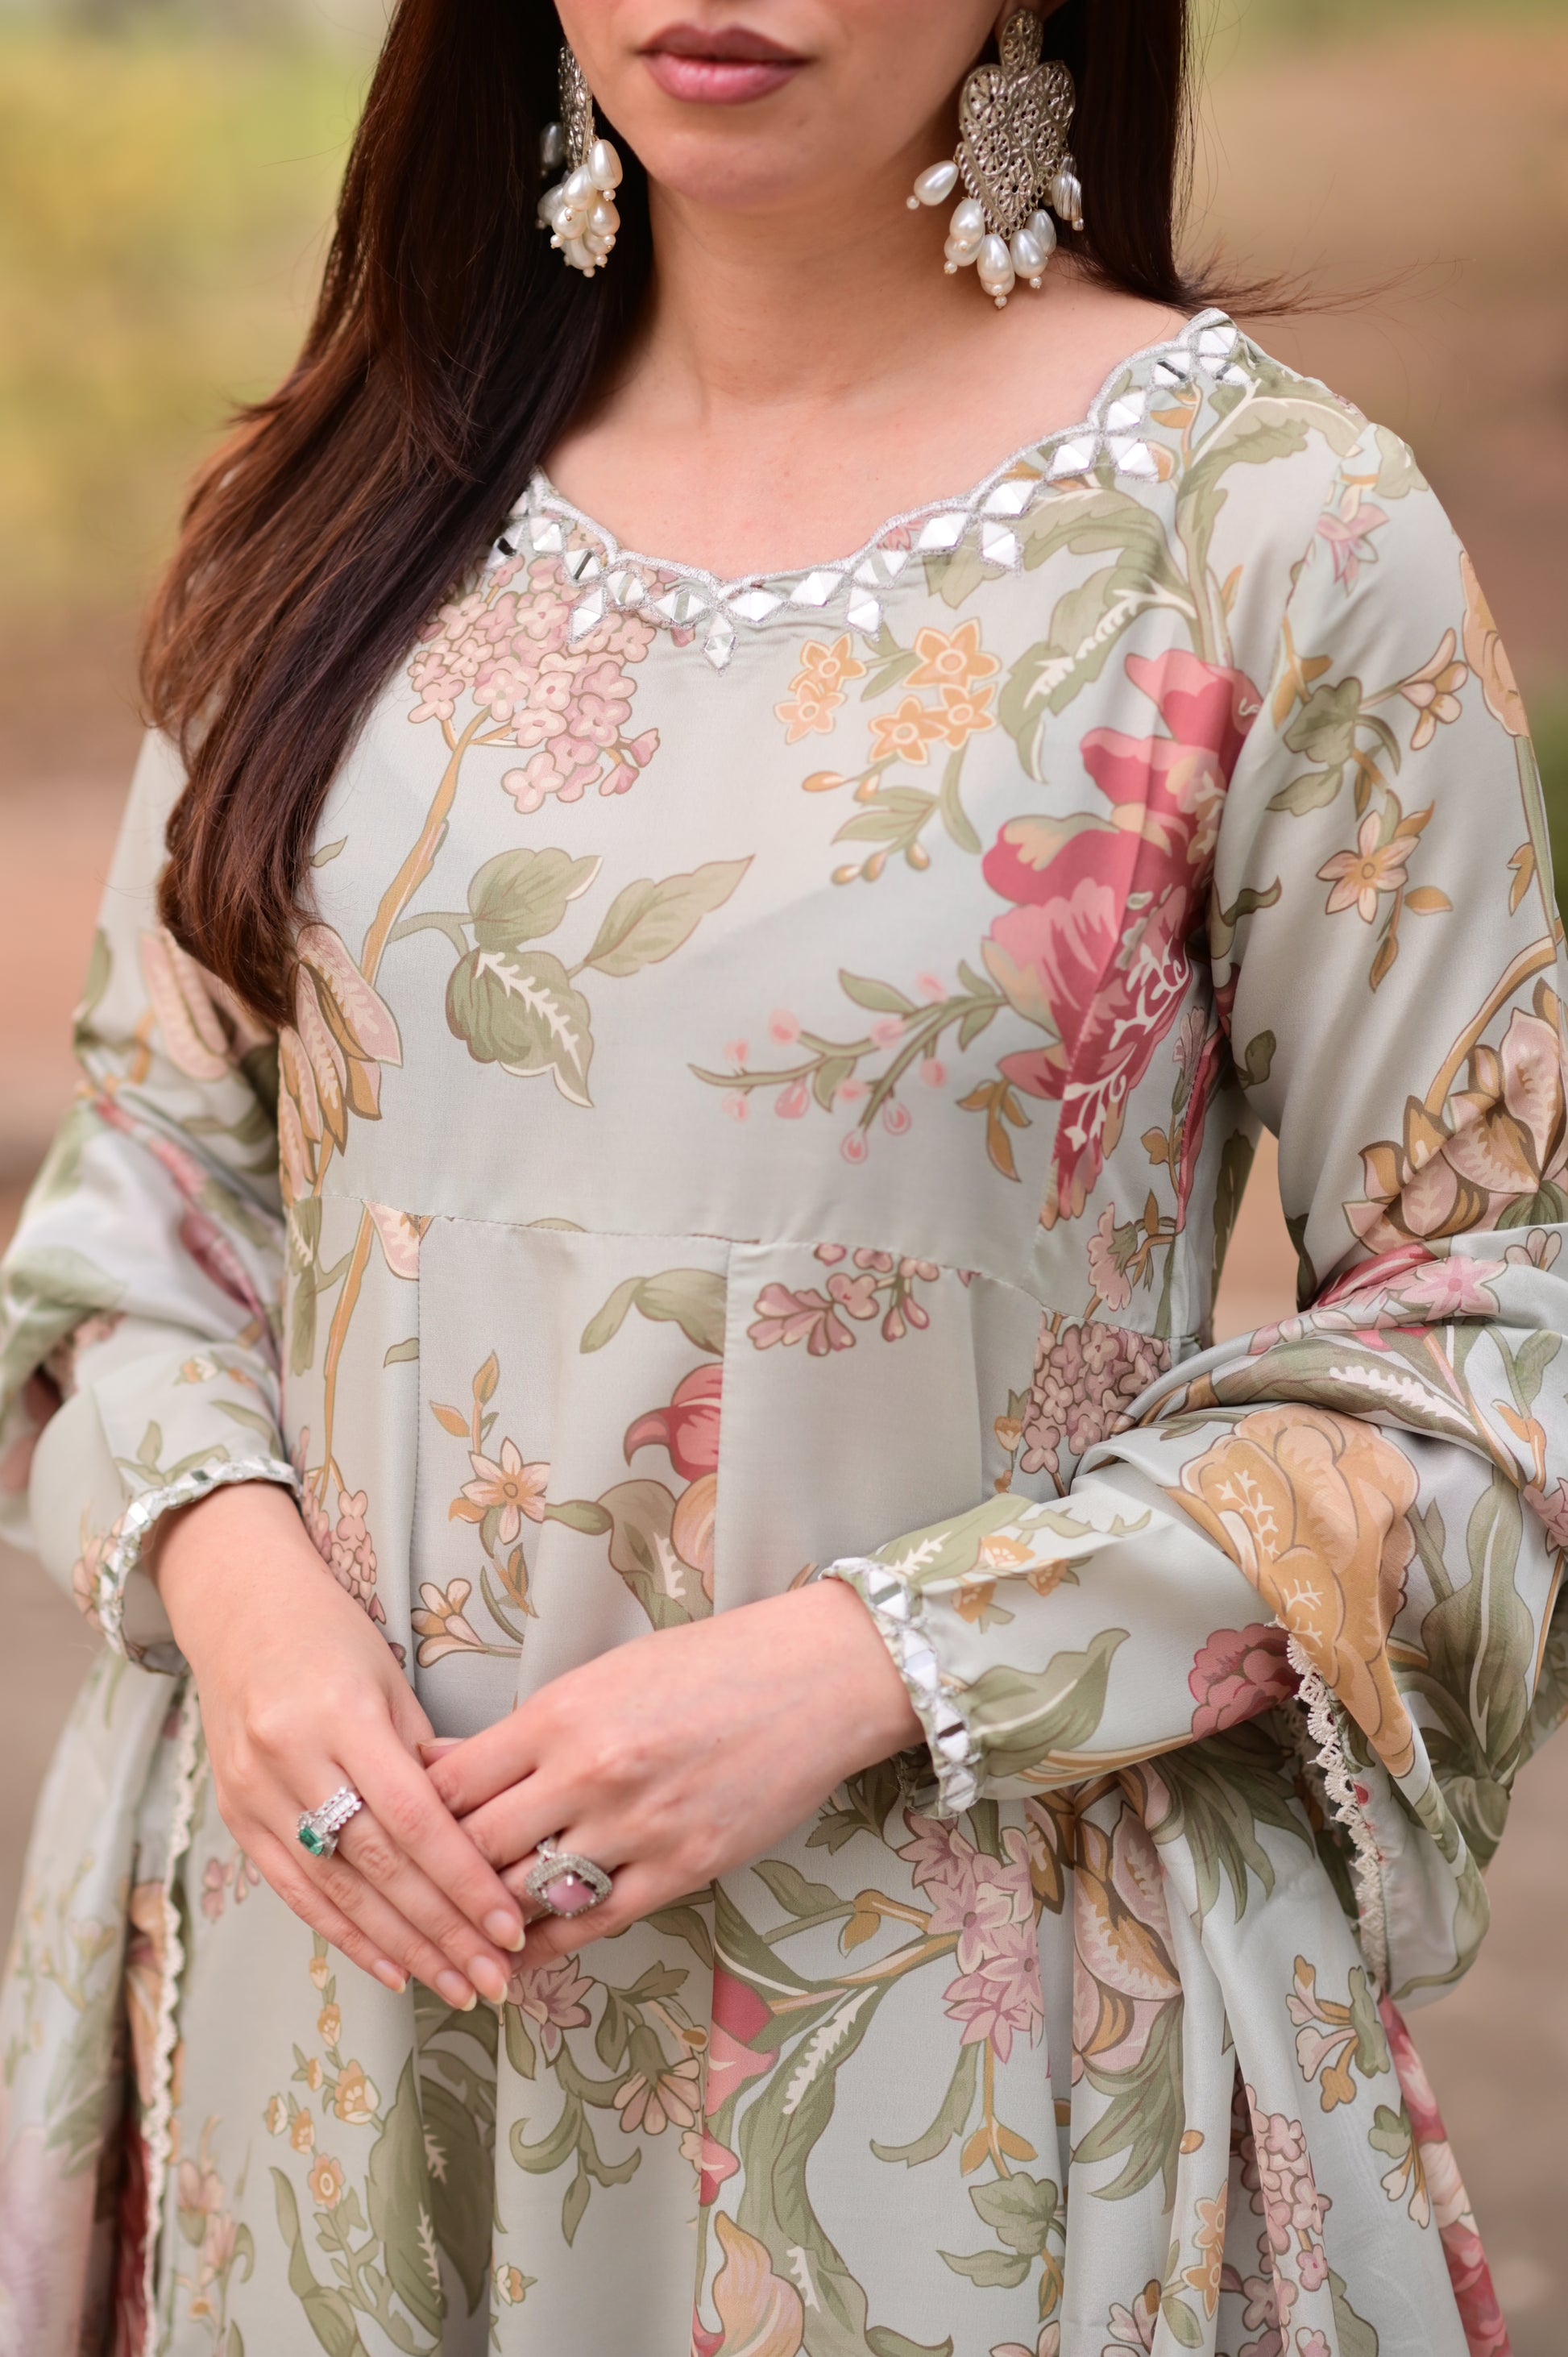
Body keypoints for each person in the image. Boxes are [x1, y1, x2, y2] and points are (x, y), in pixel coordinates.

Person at [0, 2, 1560, 2350]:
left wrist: (871, 1662)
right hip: (331, 2013)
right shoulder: (337, 501)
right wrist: (241, 1598)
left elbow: (1498, 1349)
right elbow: (142, 1202)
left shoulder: (1269, 537)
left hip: (961, 2041)